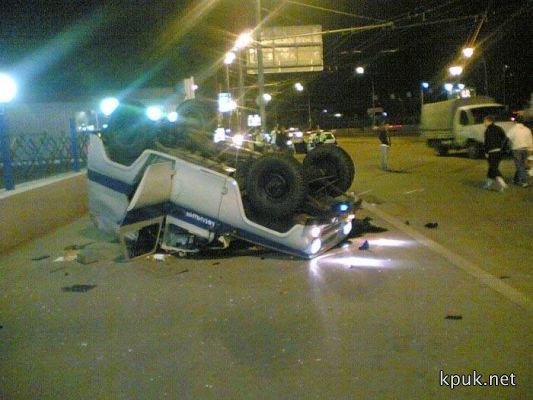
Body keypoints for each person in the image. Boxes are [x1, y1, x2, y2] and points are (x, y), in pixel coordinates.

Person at [483, 115, 508, 191]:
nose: (484, 123)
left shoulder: (488, 130)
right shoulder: (499, 128)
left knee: (493, 168)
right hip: (499, 152)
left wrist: (486, 152)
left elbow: (487, 142)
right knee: (492, 167)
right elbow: (505, 138)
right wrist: (502, 148)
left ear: (489, 121)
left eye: (485, 121)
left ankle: (502, 183)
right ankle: (488, 184)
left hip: (492, 152)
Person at [506, 118, 532, 187]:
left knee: (519, 166)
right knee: (522, 165)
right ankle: (517, 179)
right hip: (526, 149)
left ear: (516, 122)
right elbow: (530, 140)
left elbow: (508, 138)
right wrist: (531, 150)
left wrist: (508, 147)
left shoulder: (513, 129)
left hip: (516, 149)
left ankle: (525, 181)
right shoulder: (527, 129)